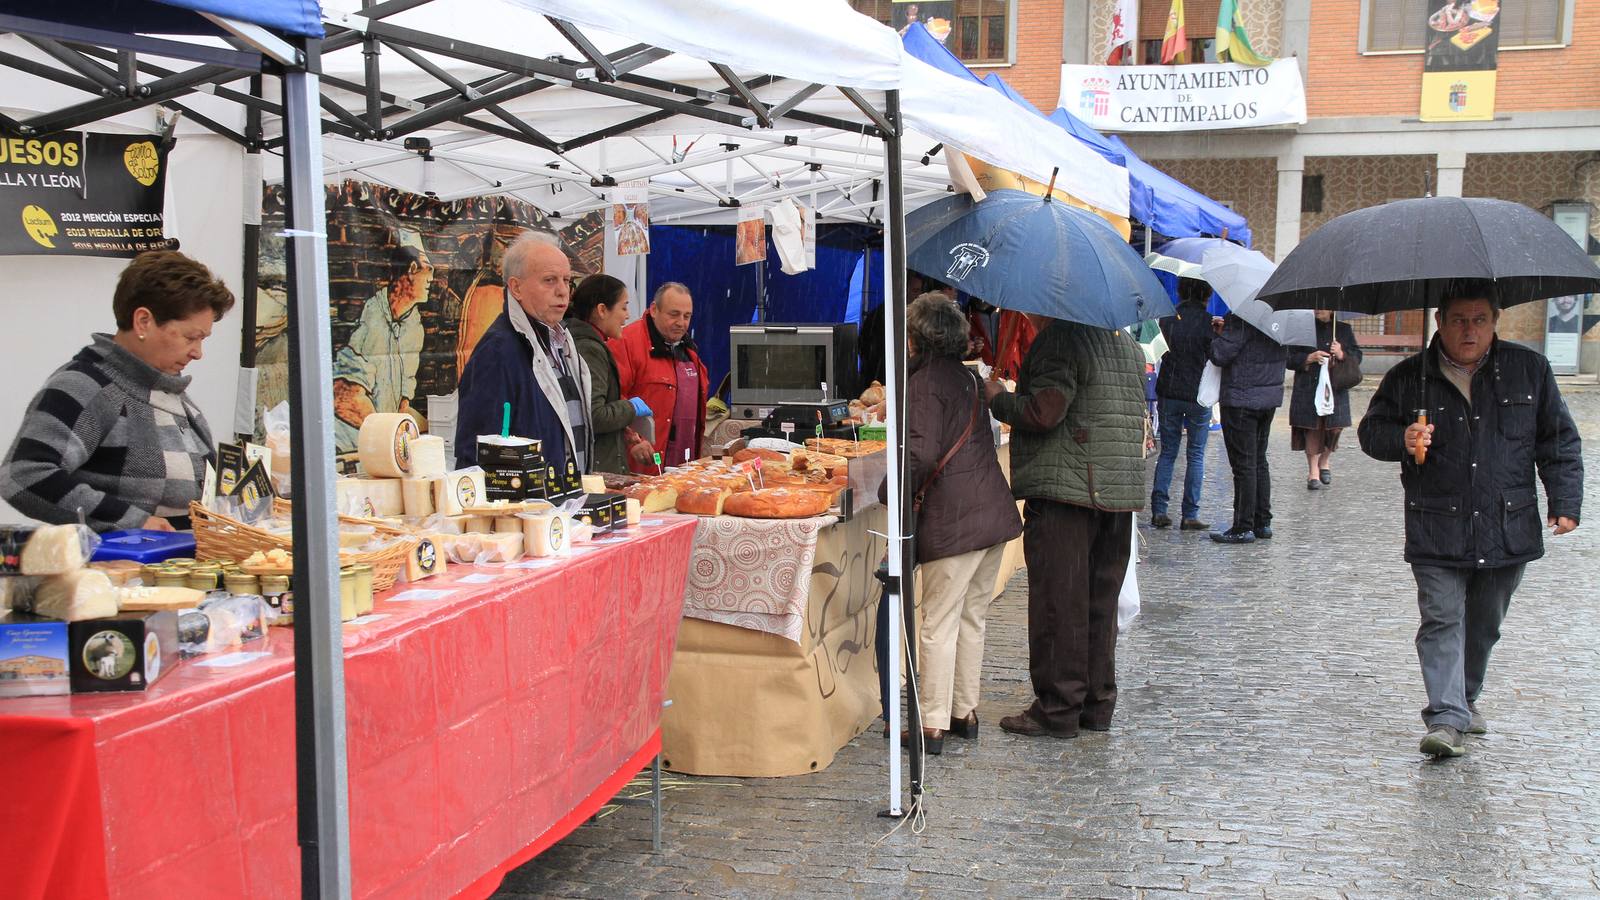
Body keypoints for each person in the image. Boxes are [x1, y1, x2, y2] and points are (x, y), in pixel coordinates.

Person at [1358, 282, 1582, 759]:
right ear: (1440, 321)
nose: (1469, 329)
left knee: (1483, 624)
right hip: (1435, 522)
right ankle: (1446, 716)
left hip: (1506, 524)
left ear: (1495, 321)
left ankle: (1464, 697)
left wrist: (1565, 501)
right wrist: (1404, 437)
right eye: (1459, 319)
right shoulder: (1409, 377)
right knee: (1441, 618)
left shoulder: (1530, 370)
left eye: (1479, 319)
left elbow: (1558, 440)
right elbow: (1370, 432)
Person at [985, 316, 1146, 738]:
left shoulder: (1060, 339)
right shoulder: (1125, 344)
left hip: (1069, 492)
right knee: (1098, 603)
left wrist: (999, 399)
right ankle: (1096, 703)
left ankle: (1057, 708)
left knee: (1060, 603)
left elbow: (1044, 412)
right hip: (1116, 492)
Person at [1, 250, 235, 532]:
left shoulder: (174, 397)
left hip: (177, 570)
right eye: (191, 337)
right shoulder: (85, 386)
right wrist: (130, 520)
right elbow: (24, 474)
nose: (198, 353)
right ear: (143, 322)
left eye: (203, 339)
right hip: (119, 571)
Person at [881, 293, 1022, 754]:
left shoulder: (924, 384)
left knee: (937, 623)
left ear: (917, 338)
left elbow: (918, 454)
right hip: (990, 514)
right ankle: (964, 711)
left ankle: (932, 724)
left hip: (958, 520)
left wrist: (890, 492)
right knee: (970, 619)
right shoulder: (966, 377)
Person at [454, 231, 593, 473]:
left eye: (567, 280)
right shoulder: (498, 352)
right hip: (528, 507)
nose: (563, 291)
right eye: (550, 280)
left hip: (565, 504)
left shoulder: (562, 344)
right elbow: (477, 455)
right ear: (516, 288)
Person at [332, 227, 432, 453]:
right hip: (350, 445)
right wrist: (391, 438)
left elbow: (402, 401)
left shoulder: (414, 326)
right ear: (412, 269)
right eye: (429, 269)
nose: (432, 278)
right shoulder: (373, 316)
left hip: (383, 444)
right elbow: (345, 398)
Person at [1208, 314, 1288, 544]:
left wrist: (1217, 336)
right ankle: (1262, 522)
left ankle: (1243, 526)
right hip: (1268, 399)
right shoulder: (1279, 320)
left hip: (1241, 398)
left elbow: (1220, 354)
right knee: (1258, 461)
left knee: (1244, 464)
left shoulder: (1243, 317)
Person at [611, 282, 708, 470]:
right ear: (654, 310)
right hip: (640, 464)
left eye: (687, 316)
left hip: (683, 464)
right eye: (674, 314)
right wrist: (633, 439)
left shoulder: (688, 351)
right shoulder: (626, 343)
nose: (681, 322)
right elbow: (612, 399)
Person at [565, 274, 653, 474]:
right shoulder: (590, 349)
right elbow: (593, 415)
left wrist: (625, 431)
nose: (627, 315)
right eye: (623, 307)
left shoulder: (583, 342)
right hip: (597, 469)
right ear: (602, 310)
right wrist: (630, 407)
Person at [1149, 279, 1216, 530]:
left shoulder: (1168, 320)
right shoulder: (1209, 323)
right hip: (1198, 394)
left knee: (1168, 452)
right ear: (1206, 296)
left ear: (1180, 292)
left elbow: (1158, 353)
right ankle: (1189, 514)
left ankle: (1159, 510)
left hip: (1169, 390)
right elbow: (1215, 356)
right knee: (1196, 454)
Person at [1286, 311, 1363, 490]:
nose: (1318, 309)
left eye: (1323, 306)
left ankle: (1325, 460)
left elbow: (1357, 356)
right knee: (1312, 428)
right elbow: (1288, 357)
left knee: (1335, 428)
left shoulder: (1343, 329)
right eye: (1316, 306)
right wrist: (1308, 358)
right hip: (1309, 387)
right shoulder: (1302, 330)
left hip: (1335, 387)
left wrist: (1342, 353)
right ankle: (1313, 472)